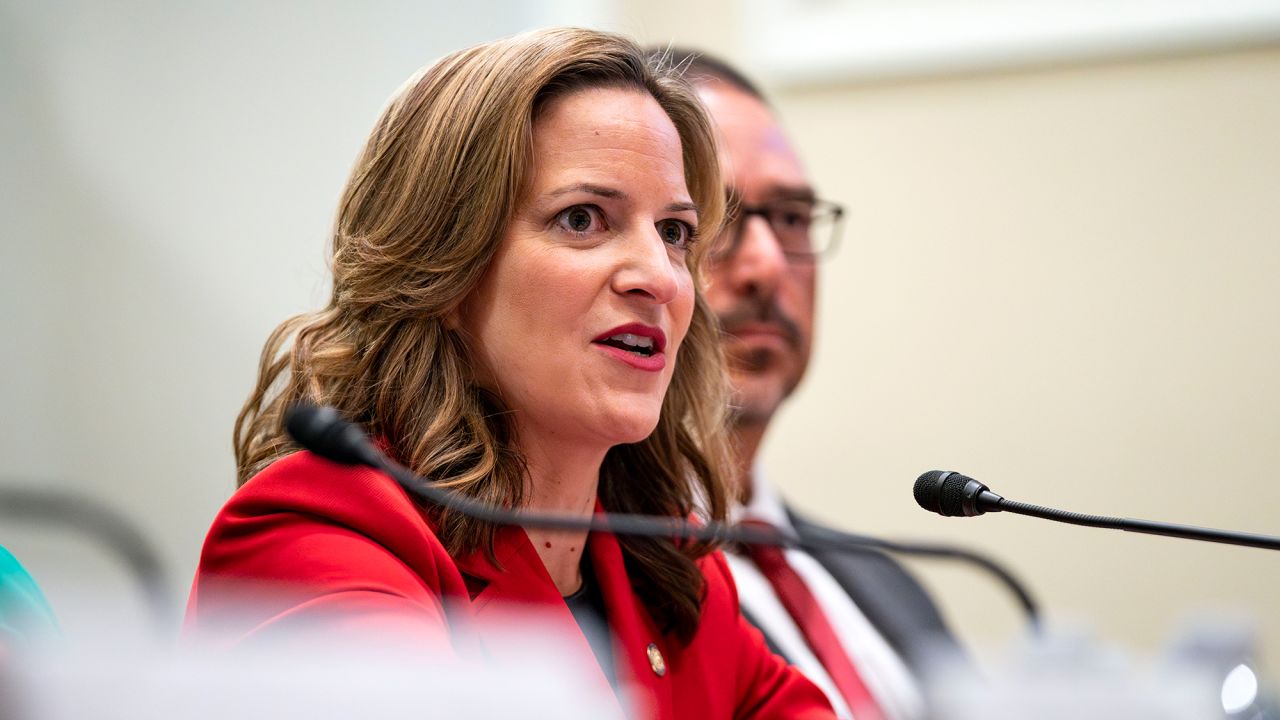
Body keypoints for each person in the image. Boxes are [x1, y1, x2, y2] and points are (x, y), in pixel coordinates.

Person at [185, 28, 835, 719]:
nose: (660, 279)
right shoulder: (314, 541)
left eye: (673, 232)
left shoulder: (667, 565)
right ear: (445, 271)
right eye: (583, 219)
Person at [655, 48, 963, 719]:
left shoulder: (887, 582)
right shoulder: (595, 573)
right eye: (717, 216)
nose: (766, 265)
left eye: (792, 218)